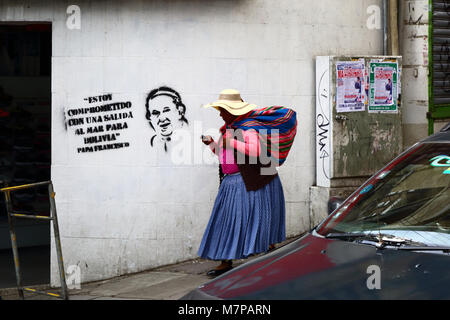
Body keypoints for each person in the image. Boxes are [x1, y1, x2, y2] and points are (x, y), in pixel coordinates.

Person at [198, 89, 297, 277]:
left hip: (249, 181)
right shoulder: (230, 129)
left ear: (232, 110)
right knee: (226, 221)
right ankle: (226, 260)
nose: (220, 114)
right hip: (232, 183)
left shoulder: (247, 128)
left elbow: (255, 150)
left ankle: (267, 255)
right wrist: (212, 144)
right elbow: (223, 154)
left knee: (256, 219)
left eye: (222, 110)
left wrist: (231, 143)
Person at [145, 87, 188, 152]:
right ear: (149, 117)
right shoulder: (153, 143)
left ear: (180, 111)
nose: (162, 118)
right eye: (155, 113)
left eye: (166, 110)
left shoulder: (191, 140)